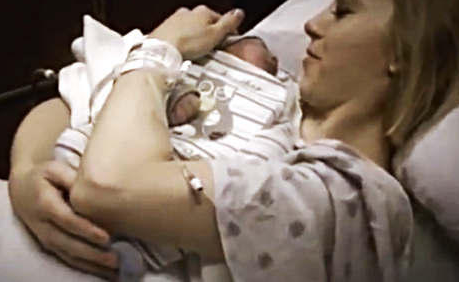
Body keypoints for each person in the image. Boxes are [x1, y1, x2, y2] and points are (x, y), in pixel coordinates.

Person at [9, 0, 459, 282]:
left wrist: (154, 53)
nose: (312, 24)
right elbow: (71, 102)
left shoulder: (341, 204)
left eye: (344, 10)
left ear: (404, 49)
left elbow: (108, 187)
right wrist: (27, 174)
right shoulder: (267, 89)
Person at [54, 33, 295, 282]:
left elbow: (269, 149)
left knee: (173, 218)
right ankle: (66, 178)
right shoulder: (194, 68)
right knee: (83, 142)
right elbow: (157, 92)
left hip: (191, 165)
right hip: (143, 146)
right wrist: (178, 99)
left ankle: (130, 252)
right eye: (256, 48)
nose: (273, 58)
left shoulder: (280, 97)